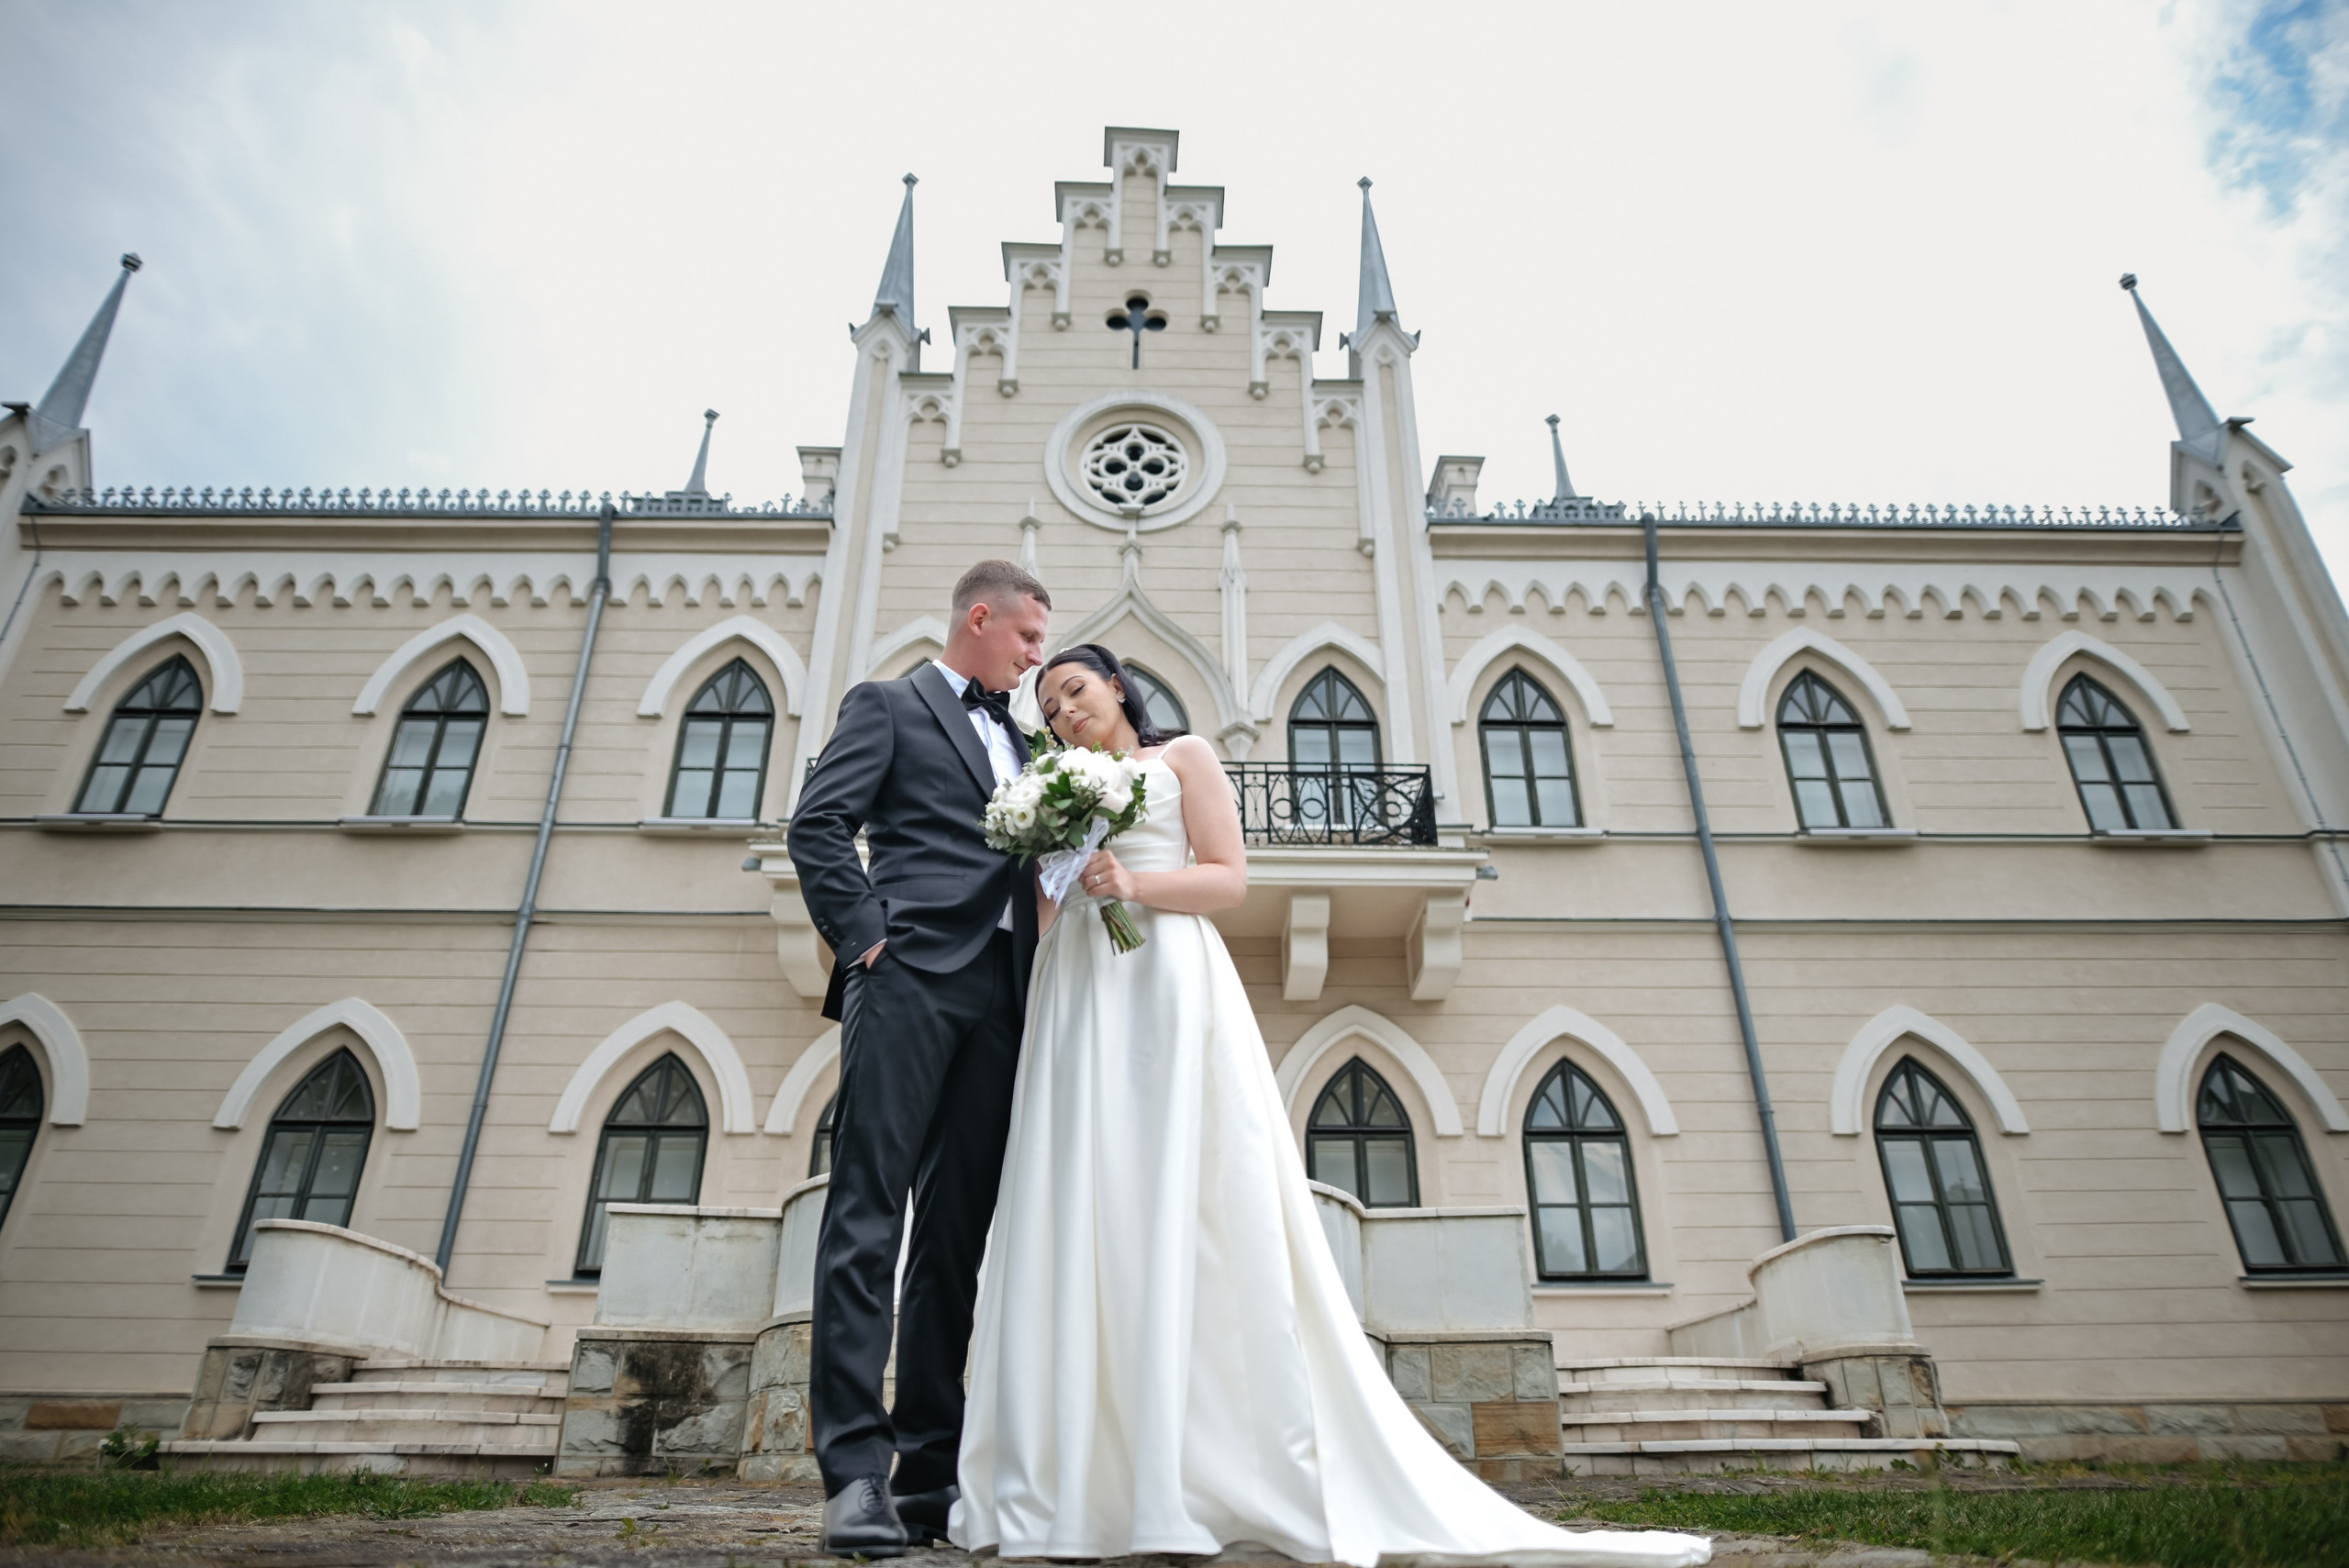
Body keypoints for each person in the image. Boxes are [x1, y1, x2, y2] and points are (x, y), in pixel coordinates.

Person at [952, 643, 1711, 1568]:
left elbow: (1228, 879)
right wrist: (1047, 884)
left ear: (1116, 685)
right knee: (1080, 1193)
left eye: (1074, 688)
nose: (1064, 709)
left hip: (1165, 978)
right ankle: (1073, 1479)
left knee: (1175, 1193)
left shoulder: (1182, 756)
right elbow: (1047, 901)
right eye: (1049, 704)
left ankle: (1184, 1473)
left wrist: (1135, 882)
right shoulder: (1059, 784)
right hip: (1078, 991)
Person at [786, 560, 1052, 1557]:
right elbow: (817, 824)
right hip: (905, 978)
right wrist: (864, 938)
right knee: (865, 1214)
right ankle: (853, 1473)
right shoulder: (887, 705)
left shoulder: (1028, 742)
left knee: (954, 1241)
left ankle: (928, 1477)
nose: (1035, 656)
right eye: (1027, 637)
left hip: (1004, 995)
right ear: (978, 618)